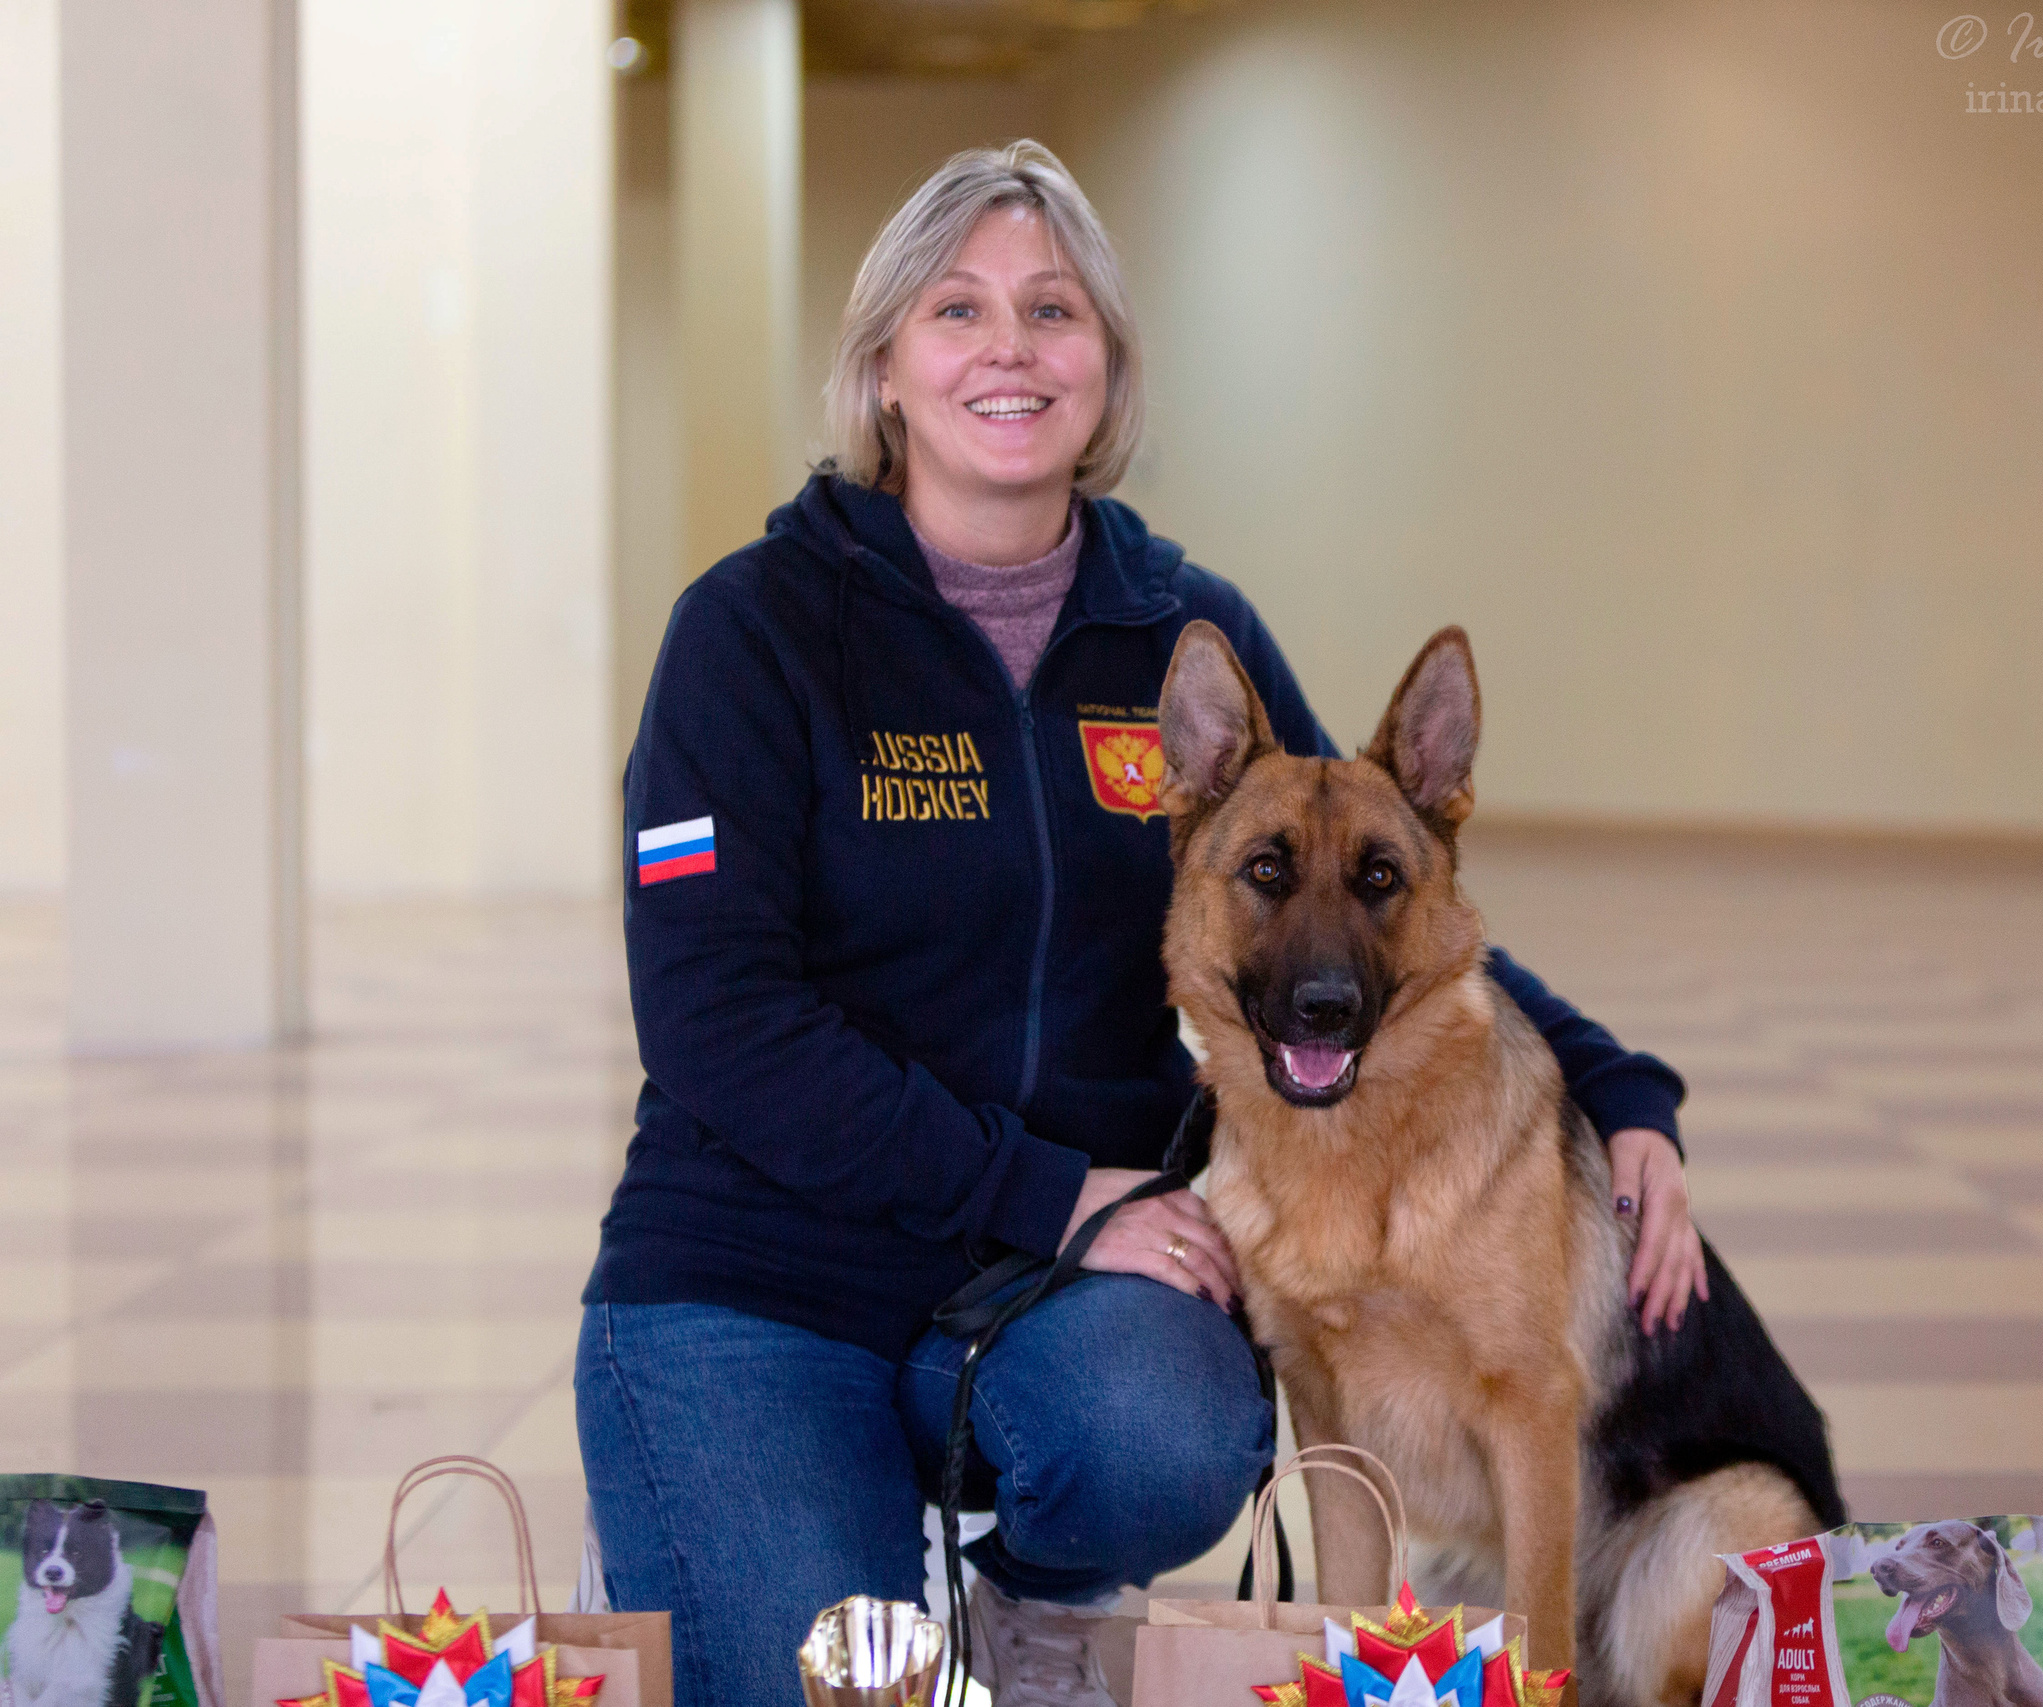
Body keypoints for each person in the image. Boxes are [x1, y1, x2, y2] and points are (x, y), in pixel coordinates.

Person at [574, 141, 1708, 1707]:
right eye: (958, 310)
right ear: (886, 367)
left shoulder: (1182, 631)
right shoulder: (750, 634)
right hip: (759, 1282)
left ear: (1106, 367)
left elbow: (1381, 897)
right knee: (805, 1687)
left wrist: (1622, 1092)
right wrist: (1050, 1189)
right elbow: (712, 1026)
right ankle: (734, 1510)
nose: (1011, 351)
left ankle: (1021, 1585)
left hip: (1049, 1292)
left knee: (1169, 1431)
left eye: (1055, 311)